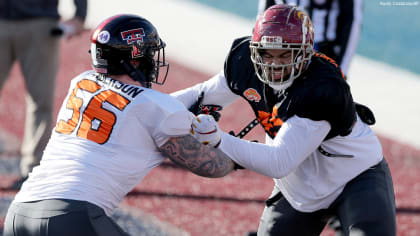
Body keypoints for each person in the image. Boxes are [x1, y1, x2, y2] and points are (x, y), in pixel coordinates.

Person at [173, 4, 396, 236]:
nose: (274, 64)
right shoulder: (244, 62)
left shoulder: (321, 88)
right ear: (254, 50)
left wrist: (219, 140)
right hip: (297, 190)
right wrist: (149, 106)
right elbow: (199, 95)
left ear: (305, 53)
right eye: (267, 53)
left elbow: (279, 162)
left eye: (285, 54)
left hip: (355, 177)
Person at [3, 14, 234, 236]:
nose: (153, 60)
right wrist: (234, 157)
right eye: (150, 53)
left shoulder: (81, 82)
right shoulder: (156, 107)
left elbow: (136, 107)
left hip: (20, 212)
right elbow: (210, 166)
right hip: (72, 215)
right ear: (135, 58)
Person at [0, 0, 88, 189]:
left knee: (41, 100)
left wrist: (80, 15)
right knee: (41, 103)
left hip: (40, 23)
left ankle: (33, 170)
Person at [257, 0, 363, 76]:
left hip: (322, 52)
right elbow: (264, 16)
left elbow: (352, 22)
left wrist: (342, 70)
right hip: (281, 47)